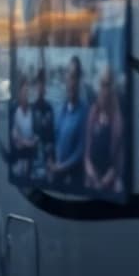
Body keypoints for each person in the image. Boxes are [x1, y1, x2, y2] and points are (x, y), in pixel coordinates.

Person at [84, 66, 126, 195]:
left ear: (112, 88)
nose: (104, 90)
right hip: (91, 179)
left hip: (109, 183)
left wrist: (103, 182)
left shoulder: (118, 120)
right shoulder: (93, 113)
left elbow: (118, 163)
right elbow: (87, 155)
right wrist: (92, 176)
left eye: (107, 85)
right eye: (102, 85)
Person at [49, 56, 87, 189]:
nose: (71, 82)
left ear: (79, 80)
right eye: (68, 76)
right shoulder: (61, 110)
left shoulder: (84, 112)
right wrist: (50, 160)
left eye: (74, 76)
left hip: (73, 181)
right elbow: (54, 138)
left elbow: (81, 150)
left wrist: (60, 168)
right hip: (57, 177)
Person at [30, 68, 56, 183]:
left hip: (46, 158)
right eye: (39, 84)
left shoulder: (49, 109)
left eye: (43, 85)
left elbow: (51, 137)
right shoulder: (31, 109)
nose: (41, 88)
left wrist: (50, 159)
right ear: (36, 87)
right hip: (33, 157)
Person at [10, 74, 37, 183]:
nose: (26, 94)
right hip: (19, 158)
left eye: (28, 92)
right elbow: (14, 135)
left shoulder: (33, 111)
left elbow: (37, 135)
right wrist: (25, 142)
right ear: (20, 93)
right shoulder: (15, 110)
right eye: (24, 91)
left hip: (31, 158)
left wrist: (30, 142)